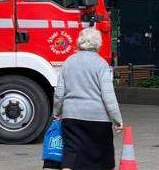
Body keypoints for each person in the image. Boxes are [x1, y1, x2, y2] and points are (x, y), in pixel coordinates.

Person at [50, 27, 123, 170]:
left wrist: (57, 112)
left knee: (70, 154)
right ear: (98, 44)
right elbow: (108, 96)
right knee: (102, 157)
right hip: (98, 119)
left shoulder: (68, 62)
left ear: (79, 42)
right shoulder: (101, 64)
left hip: (71, 116)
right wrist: (117, 119)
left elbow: (59, 93)